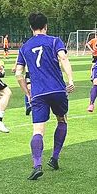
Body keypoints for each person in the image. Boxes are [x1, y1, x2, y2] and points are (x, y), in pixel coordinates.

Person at [15, 13, 76, 180]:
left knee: (38, 130)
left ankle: (37, 165)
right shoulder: (55, 41)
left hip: (38, 93)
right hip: (57, 90)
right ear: (46, 26)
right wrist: (70, 79)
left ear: (31, 27)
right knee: (62, 120)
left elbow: (19, 74)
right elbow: (63, 58)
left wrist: (27, 93)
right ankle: (54, 158)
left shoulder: (24, 47)